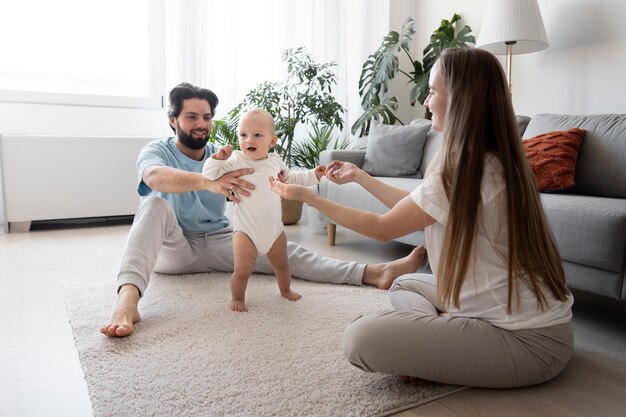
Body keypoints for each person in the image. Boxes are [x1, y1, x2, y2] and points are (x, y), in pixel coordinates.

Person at [269, 48, 574, 389]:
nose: (426, 103)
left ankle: (437, 341)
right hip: (540, 327)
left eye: (432, 92)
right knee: (403, 284)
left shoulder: (464, 166)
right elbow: (420, 208)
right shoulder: (486, 159)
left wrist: (312, 197)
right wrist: (361, 177)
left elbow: (383, 229)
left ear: (460, 99)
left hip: (526, 343)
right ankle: (440, 336)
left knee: (359, 339)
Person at [100, 82, 424, 337]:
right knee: (153, 205)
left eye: (207, 117)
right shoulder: (158, 150)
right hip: (175, 248)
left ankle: (372, 273)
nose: (201, 124)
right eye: (191, 117)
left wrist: (312, 175)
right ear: (172, 120)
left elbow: (282, 174)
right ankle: (127, 301)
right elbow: (154, 177)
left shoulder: (227, 153)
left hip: (219, 239)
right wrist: (208, 182)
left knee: (283, 251)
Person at [203, 108, 325, 312]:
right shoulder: (235, 160)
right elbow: (209, 174)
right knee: (242, 271)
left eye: (257, 135)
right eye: (243, 135)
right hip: (246, 232)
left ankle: (285, 290)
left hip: (275, 231)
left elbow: (293, 178)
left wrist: (314, 174)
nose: (249, 140)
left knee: (283, 265)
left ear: (272, 141)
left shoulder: (275, 161)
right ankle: (238, 298)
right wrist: (218, 157)